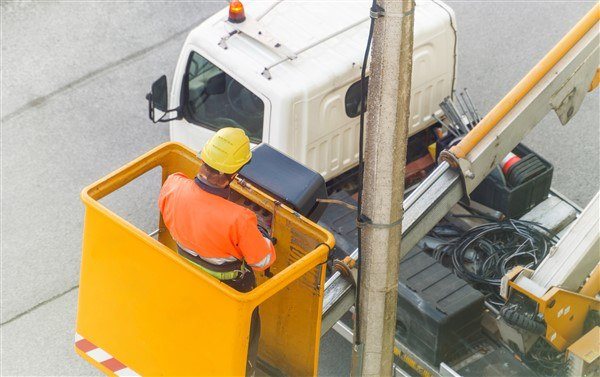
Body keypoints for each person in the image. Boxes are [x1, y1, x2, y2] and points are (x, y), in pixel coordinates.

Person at [158, 127, 276, 376]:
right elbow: (263, 261)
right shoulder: (240, 219)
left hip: (189, 277)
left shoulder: (172, 185)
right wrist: (263, 233)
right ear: (233, 174)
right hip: (233, 290)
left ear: (204, 159)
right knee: (244, 341)